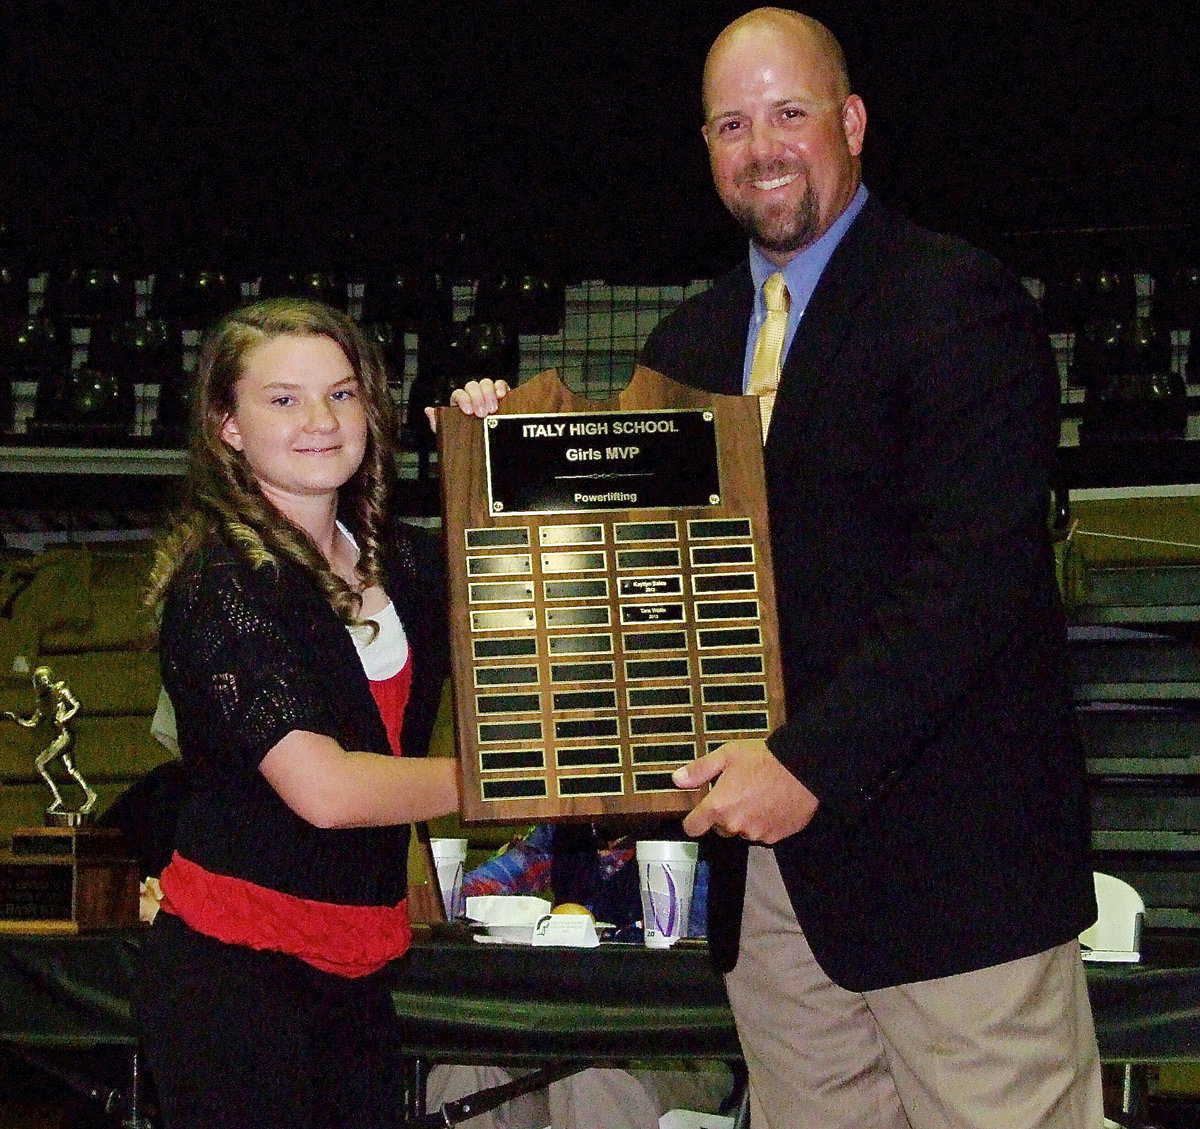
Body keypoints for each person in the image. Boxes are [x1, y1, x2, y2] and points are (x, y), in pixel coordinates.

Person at [639, 10, 1102, 1129]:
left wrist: (808, 762)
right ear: (706, 146)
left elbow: (974, 578)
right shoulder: (683, 351)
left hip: (955, 882)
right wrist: (498, 449)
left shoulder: (961, 301)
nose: (762, 147)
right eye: (732, 123)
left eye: (789, 113)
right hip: (776, 902)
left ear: (849, 122)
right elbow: (633, 578)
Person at [132, 296, 504, 1129]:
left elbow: (538, 594)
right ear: (227, 424)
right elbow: (326, 791)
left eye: (341, 393)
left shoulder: (406, 559)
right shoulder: (220, 585)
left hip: (359, 963)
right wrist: (505, 778)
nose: (321, 420)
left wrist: (495, 452)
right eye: (284, 398)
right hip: (233, 979)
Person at [425, 822, 733, 1129]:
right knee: (460, 1070)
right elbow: (476, 890)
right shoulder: (565, 831)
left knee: (587, 1078)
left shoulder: (702, 836)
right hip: (560, 1040)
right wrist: (433, 891)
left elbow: (697, 943)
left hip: (673, 1047)